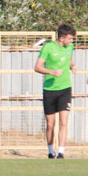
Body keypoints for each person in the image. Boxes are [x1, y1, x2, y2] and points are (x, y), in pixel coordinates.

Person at [34, 24, 76, 159]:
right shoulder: (48, 47)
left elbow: (69, 59)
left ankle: (61, 152)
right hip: (50, 90)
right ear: (62, 38)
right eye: (70, 38)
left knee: (63, 122)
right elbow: (37, 67)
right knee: (50, 124)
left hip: (65, 89)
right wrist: (52, 72)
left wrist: (72, 66)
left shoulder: (70, 47)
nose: (72, 41)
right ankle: (51, 151)